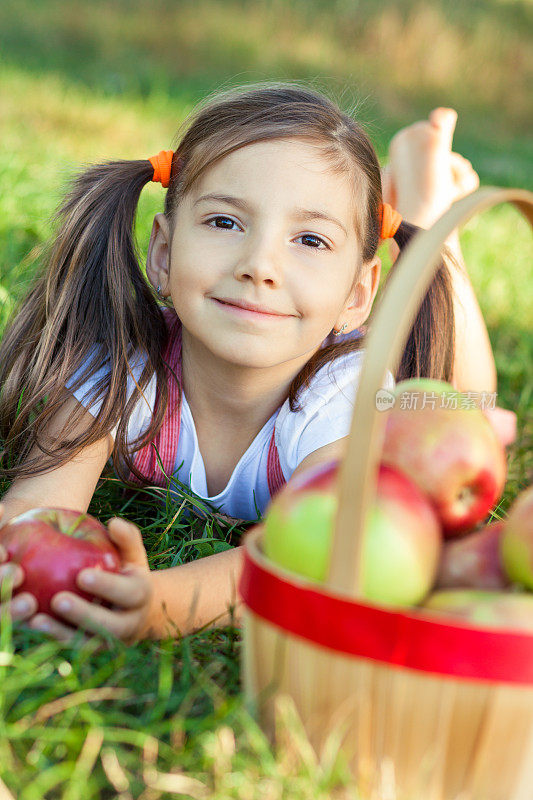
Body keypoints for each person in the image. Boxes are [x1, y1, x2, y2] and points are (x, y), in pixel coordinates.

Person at [0, 83, 497, 644]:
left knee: (467, 392)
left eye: (309, 239)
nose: (259, 266)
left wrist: (160, 604)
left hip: (370, 381)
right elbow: (33, 510)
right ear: (162, 254)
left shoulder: (341, 401)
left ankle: (434, 220)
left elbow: (311, 557)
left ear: (358, 296)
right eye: (225, 223)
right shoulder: (122, 367)